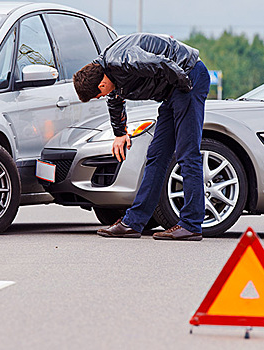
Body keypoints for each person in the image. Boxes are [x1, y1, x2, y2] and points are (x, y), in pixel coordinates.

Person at [73, 33, 210, 241]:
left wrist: (185, 90)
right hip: (173, 91)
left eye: (97, 95)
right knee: (156, 155)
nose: (102, 97)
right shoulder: (107, 71)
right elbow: (115, 100)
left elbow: (163, 64)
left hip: (188, 78)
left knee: (187, 153)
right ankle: (133, 223)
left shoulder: (124, 60)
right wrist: (120, 133)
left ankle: (191, 224)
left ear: (101, 84)